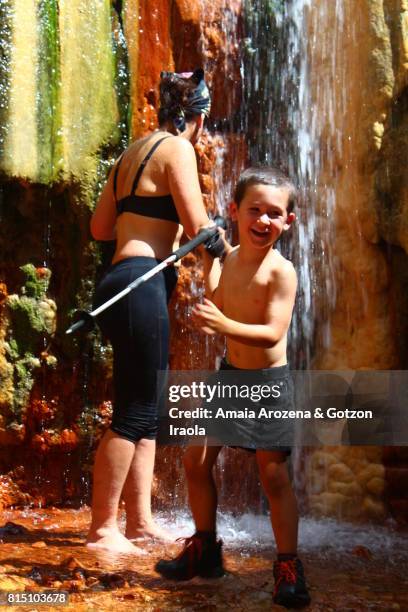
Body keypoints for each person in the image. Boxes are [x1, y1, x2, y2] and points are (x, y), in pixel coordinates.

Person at [155, 167, 311, 608]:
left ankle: (287, 566)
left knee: (273, 474)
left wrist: (222, 324)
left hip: (268, 383)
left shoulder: (282, 272)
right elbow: (219, 299)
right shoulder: (231, 259)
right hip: (231, 377)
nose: (263, 221)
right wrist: (209, 260)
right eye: (254, 210)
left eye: (274, 214)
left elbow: (272, 334)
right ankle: (205, 550)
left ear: (289, 222)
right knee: (195, 459)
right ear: (235, 212)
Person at [86, 69, 222, 553]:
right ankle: (103, 529)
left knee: (146, 407)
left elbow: (101, 228)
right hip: (142, 286)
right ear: (198, 117)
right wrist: (223, 250)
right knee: (134, 411)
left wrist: (148, 225)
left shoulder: (129, 155)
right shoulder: (179, 147)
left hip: (118, 283)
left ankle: (139, 522)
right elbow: (198, 222)